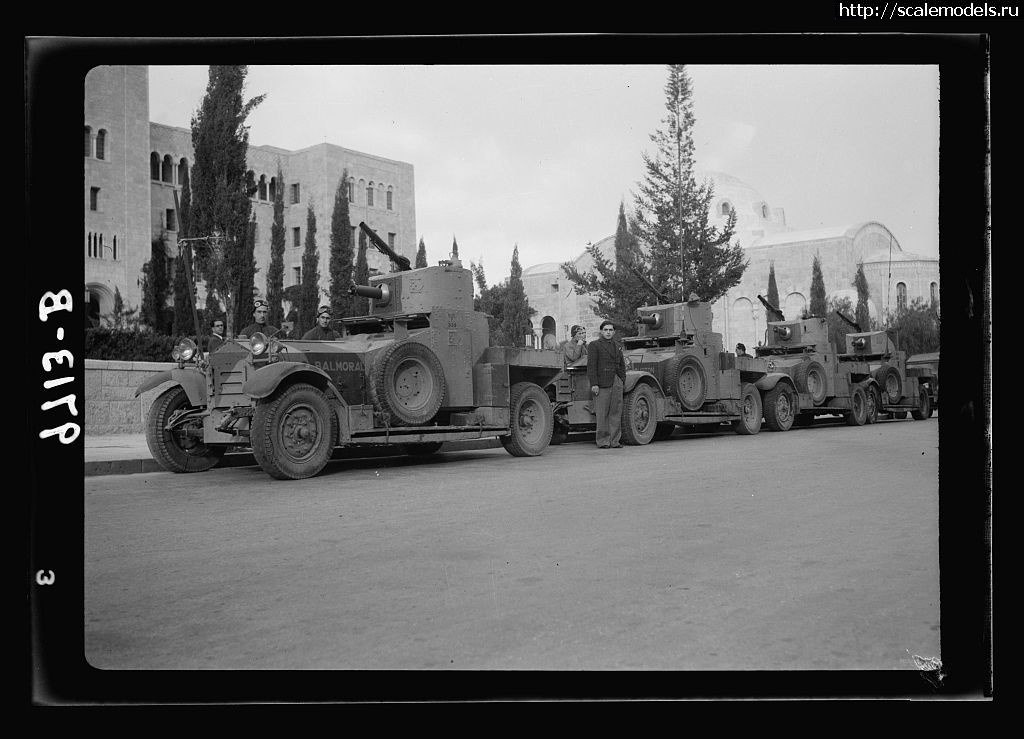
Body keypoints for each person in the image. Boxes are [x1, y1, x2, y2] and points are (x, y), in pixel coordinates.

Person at [587, 320, 626, 449]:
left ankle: (615, 441)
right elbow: (591, 366)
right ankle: (603, 441)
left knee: (615, 412)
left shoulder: (617, 345)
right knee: (602, 413)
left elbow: (621, 364)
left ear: (614, 332)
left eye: (610, 330)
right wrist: (594, 384)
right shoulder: (594, 345)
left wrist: (622, 379)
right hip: (602, 383)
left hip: (616, 382)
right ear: (601, 331)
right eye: (606, 330)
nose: (608, 332)